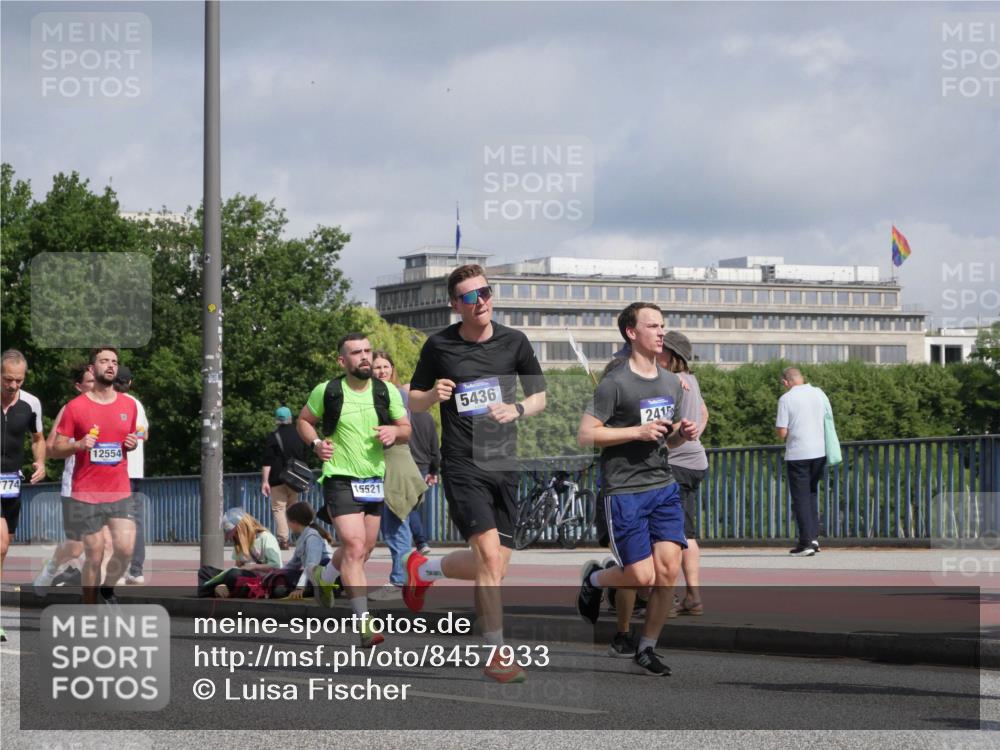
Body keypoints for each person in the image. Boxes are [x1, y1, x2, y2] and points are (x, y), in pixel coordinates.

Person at [403, 263, 547, 684]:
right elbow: (413, 400)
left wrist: (517, 408)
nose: (480, 300)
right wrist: (432, 394)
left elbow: (540, 395)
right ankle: (496, 653)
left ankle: (425, 570)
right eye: (470, 296)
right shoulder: (439, 347)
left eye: (484, 292)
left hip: (503, 462)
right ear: (455, 305)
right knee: (486, 556)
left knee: (496, 568)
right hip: (463, 463)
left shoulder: (514, 342)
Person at [576, 302, 698, 676]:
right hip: (624, 490)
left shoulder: (669, 382)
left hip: (662, 485)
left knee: (667, 572)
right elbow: (586, 434)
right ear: (632, 332)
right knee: (641, 576)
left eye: (663, 325)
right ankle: (594, 580)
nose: (661, 332)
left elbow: (667, 440)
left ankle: (647, 648)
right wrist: (635, 432)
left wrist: (680, 434)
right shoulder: (615, 383)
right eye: (653, 326)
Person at [297, 332, 410, 648]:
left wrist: (394, 431)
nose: (365, 357)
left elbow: (406, 430)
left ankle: (326, 578)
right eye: (356, 352)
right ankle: (363, 623)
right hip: (339, 477)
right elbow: (304, 421)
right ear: (342, 360)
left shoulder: (386, 392)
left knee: (364, 549)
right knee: (353, 542)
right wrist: (317, 443)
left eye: (368, 351)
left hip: (373, 479)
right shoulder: (328, 391)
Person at [51, 347, 139, 605]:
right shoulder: (75, 408)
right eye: (104, 361)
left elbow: (128, 440)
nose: (111, 366)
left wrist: (131, 443)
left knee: (125, 549)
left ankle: (107, 589)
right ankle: (89, 607)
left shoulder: (128, 405)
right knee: (95, 553)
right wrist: (78, 445)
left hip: (118, 489)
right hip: (86, 492)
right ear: (93, 368)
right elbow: (55, 449)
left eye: (114, 361)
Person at [35, 363, 111, 591]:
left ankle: (100, 596)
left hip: (105, 486)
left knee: (107, 544)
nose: (95, 385)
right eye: (90, 382)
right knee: (77, 547)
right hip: (76, 486)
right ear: (79, 387)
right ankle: (51, 567)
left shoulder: (111, 406)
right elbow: (49, 448)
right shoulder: (71, 409)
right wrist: (77, 444)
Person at [370, 351, 428, 601]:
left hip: (394, 462)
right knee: (393, 524)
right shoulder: (389, 393)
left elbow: (405, 431)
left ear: (392, 369)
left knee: (395, 524)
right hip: (388, 463)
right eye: (377, 367)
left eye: (385, 366)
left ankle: (400, 580)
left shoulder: (395, 394)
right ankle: (407, 578)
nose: (381, 371)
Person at [1, 349, 45, 641]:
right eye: (8, 380)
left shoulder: (31, 403)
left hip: (11, 487)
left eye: (19, 380)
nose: (14, 386)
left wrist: (40, 462)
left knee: (3, 551)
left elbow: (38, 438)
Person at [775, 367, 828, 556]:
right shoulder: (818, 393)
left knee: (800, 499)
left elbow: (782, 432)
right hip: (820, 452)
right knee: (812, 494)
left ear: (786, 382)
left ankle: (806, 543)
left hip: (798, 454)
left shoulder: (786, 399)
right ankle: (813, 537)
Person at [114, 365, 149, 584]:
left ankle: (117, 569)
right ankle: (136, 571)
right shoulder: (137, 404)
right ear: (130, 383)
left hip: (115, 472)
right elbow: (144, 433)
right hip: (135, 472)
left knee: (113, 521)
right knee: (135, 522)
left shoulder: (109, 402)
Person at [204, 507, 283, 597]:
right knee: (205, 571)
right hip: (244, 575)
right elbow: (238, 566)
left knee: (233, 574)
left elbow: (276, 565)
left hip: (262, 578)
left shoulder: (266, 537)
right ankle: (220, 589)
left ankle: (216, 590)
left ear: (242, 529)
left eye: (235, 533)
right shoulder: (239, 542)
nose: (234, 537)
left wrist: (253, 567)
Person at [402, 376, 440, 557]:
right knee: (412, 506)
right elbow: (435, 447)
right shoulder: (427, 417)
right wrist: (434, 470)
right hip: (423, 466)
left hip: (406, 464)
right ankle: (419, 541)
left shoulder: (401, 418)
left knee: (407, 507)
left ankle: (420, 541)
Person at [262, 405, 308, 550]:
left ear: (277, 420)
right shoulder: (299, 434)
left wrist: (265, 481)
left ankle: (283, 540)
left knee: (279, 509)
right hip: (295, 478)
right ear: (290, 418)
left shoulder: (273, 436)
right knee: (293, 508)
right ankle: (299, 537)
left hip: (277, 479)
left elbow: (267, 461)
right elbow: (303, 457)